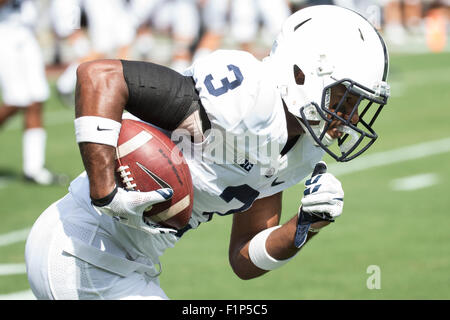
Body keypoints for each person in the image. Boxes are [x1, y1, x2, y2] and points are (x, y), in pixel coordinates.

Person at [25, 5, 390, 299]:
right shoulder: (248, 97)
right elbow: (100, 76)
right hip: (83, 245)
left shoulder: (300, 150)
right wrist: (106, 192)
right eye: (346, 98)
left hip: (121, 262)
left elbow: (244, 257)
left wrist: (304, 227)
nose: (351, 117)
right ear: (303, 73)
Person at [0, 0, 64, 185]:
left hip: (27, 34)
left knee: (36, 99)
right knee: (16, 100)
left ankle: (34, 169)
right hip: (5, 34)